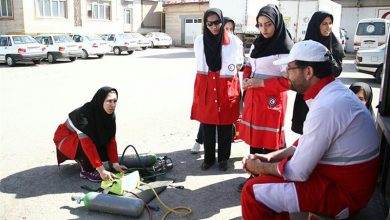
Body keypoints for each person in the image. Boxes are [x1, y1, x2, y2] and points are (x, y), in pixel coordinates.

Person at [241, 40, 379, 219]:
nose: (285, 73)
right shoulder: (332, 92)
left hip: (343, 195)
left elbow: (297, 172)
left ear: (308, 72)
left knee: (253, 191)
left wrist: (260, 166)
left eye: (290, 68)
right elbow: (305, 142)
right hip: (343, 182)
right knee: (268, 182)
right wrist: (270, 157)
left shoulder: (327, 105)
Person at [238, 4, 293, 188]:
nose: (264, 29)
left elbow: (288, 82)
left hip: (272, 99)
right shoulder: (256, 43)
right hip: (254, 98)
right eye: (260, 25)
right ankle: (254, 175)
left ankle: (268, 180)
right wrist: (245, 79)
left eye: (268, 24)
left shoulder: (285, 47)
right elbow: (249, 66)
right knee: (255, 138)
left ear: (276, 23)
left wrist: (260, 83)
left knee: (269, 141)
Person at [191, 8, 243, 171]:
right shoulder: (199, 41)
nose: (214, 27)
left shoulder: (235, 42)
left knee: (225, 126)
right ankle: (208, 159)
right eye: (210, 23)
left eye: (217, 23)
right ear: (205, 24)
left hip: (225, 86)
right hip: (206, 85)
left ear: (222, 21)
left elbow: (239, 64)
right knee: (207, 125)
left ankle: (223, 159)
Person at [53, 86, 127, 182]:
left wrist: (115, 164)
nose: (113, 105)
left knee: (102, 139)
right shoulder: (82, 116)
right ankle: (86, 170)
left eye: (115, 101)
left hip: (80, 139)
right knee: (88, 141)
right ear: (100, 101)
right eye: (109, 101)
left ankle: (86, 160)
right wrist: (102, 170)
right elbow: (87, 145)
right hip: (64, 139)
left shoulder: (109, 115)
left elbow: (111, 139)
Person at [291, 11, 345, 135]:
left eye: (330, 23)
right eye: (324, 24)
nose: (328, 27)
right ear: (316, 25)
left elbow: (337, 71)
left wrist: (328, 57)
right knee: (305, 131)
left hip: (325, 94)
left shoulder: (334, 45)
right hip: (306, 93)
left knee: (322, 131)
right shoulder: (305, 46)